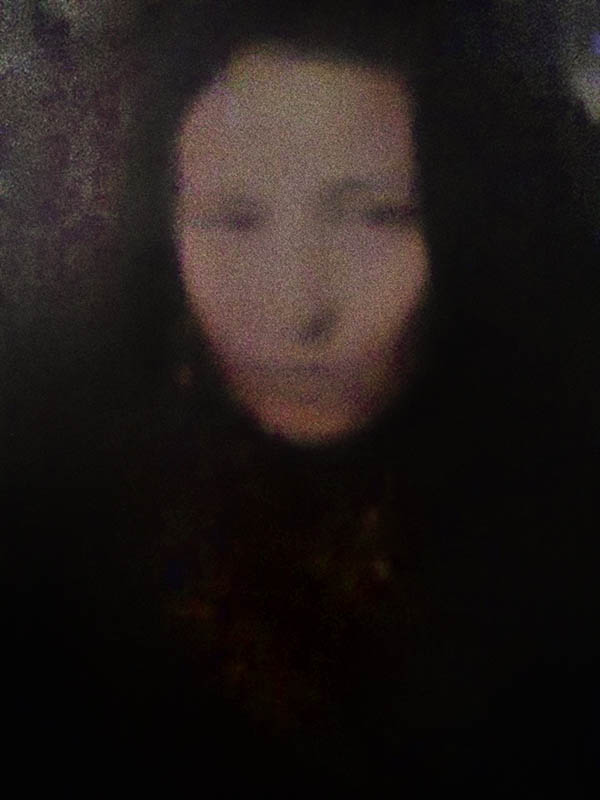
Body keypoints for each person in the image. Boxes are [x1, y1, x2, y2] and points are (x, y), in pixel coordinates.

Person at [4, 0, 600, 792]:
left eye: (378, 217)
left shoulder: (563, 506)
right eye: (233, 218)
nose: (298, 309)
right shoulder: (55, 506)